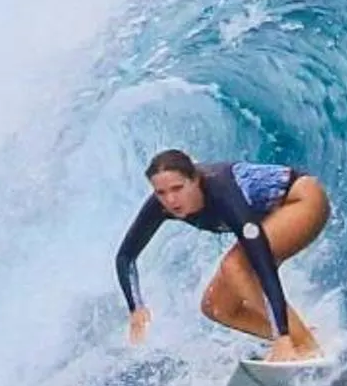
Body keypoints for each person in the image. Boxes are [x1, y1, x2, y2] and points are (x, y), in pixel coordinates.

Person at [115, 148, 331, 362]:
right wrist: (136, 307)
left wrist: (281, 335)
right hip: (273, 213)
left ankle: (300, 343)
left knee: (235, 266)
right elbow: (125, 256)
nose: (171, 200)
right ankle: (303, 335)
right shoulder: (162, 206)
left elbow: (262, 264)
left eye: (177, 188)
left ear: (195, 180)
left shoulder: (222, 191)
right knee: (216, 306)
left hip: (301, 199)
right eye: (161, 192)